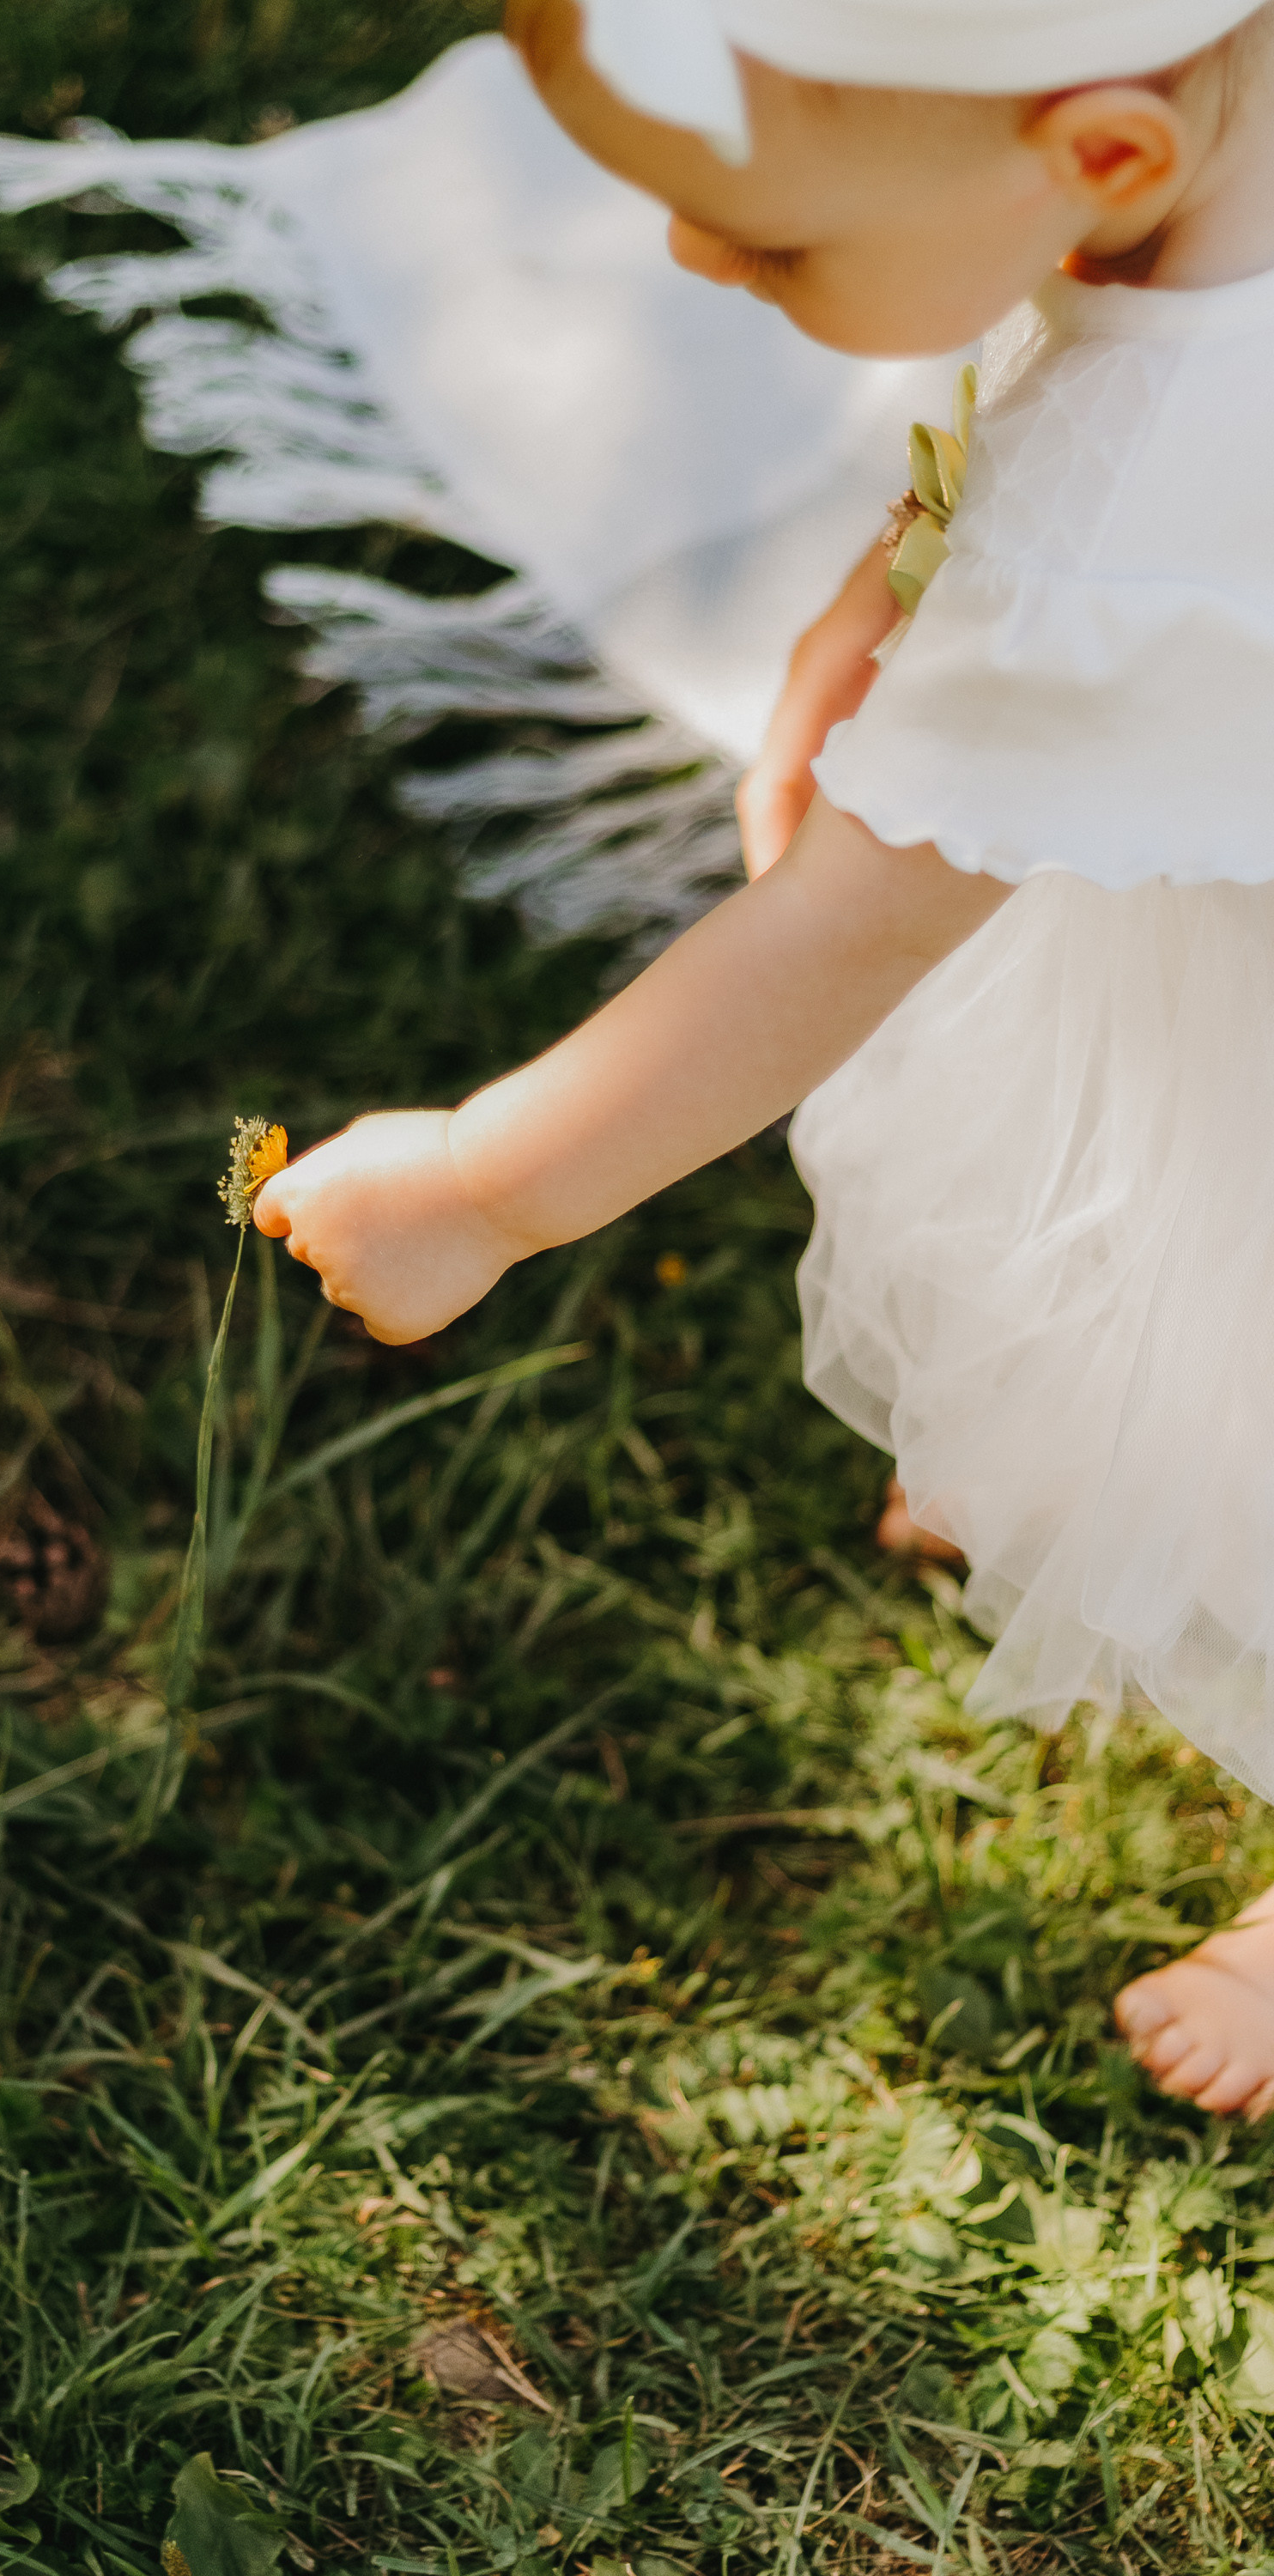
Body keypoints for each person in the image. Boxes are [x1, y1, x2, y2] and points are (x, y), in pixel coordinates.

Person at [252, 0, 1274, 2124]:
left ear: (1097, 156)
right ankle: (1085, 1463)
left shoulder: (1142, 524)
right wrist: (887, 594)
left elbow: (846, 927)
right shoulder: (1213, 124)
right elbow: (1035, 417)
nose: (702, 270)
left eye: (770, 242)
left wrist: (479, 1184)